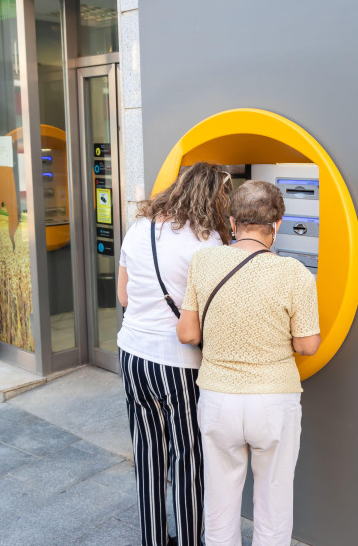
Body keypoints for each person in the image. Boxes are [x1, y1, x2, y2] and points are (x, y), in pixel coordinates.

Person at [176, 180, 321, 546]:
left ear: (232, 221)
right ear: (277, 223)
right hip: (273, 401)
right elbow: (307, 345)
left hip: (218, 398)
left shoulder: (204, 261)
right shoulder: (295, 274)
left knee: (221, 503)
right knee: (273, 505)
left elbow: (187, 333)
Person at [117, 162, 232, 546]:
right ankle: (187, 540)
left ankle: (152, 538)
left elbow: (123, 296)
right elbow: (211, 317)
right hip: (177, 364)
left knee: (147, 452)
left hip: (132, 353)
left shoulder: (138, 230)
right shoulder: (208, 244)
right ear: (215, 198)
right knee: (188, 456)